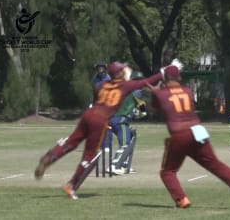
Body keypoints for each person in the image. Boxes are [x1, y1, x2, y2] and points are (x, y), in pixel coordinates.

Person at [34, 61, 165, 200]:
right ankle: (71, 185)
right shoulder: (126, 85)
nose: (125, 70)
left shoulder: (102, 84)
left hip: (89, 114)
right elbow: (147, 81)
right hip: (100, 119)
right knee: (90, 156)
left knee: (71, 142)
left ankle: (50, 156)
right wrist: (163, 72)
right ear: (119, 73)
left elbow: (98, 97)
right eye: (122, 69)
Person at [149, 65, 230, 208]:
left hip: (179, 134)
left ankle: (182, 199)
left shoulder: (160, 93)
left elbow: (155, 106)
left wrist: (155, 91)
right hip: (197, 130)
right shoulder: (188, 90)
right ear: (179, 77)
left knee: (168, 171)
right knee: (215, 165)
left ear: (165, 78)